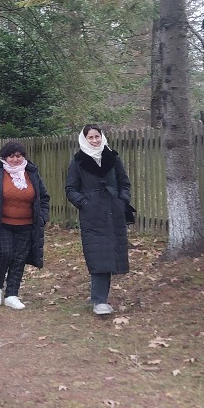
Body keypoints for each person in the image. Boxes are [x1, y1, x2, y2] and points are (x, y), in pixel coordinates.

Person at [0, 141, 51, 311]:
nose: (15, 160)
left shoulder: (31, 173)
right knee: (5, 253)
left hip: (27, 225)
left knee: (19, 259)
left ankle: (12, 295)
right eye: (11, 156)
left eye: (18, 156)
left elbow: (44, 197)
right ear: (4, 158)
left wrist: (43, 217)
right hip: (2, 224)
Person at [65, 125, 132, 316]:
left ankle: (100, 298)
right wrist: (85, 203)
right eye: (90, 137)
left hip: (113, 212)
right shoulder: (78, 161)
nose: (94, 140)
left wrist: (122, 200)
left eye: (97, 136)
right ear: (84, 139)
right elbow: (71, 188)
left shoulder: (113, 157)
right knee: (97, 254)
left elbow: (124, 183)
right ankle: (99, 301)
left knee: (110, 253)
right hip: (92, 215)